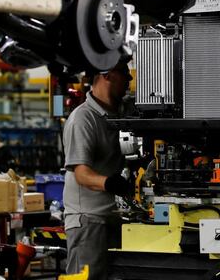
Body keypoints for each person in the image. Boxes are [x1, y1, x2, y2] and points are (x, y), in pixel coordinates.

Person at [63, 60, 134, 280]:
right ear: (106, 74)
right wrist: (112, 183)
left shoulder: (119, 114)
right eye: (123, 72)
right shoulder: (83, 119)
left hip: (112, 217)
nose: (130, 78)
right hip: (88, 221)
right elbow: (82, 174)